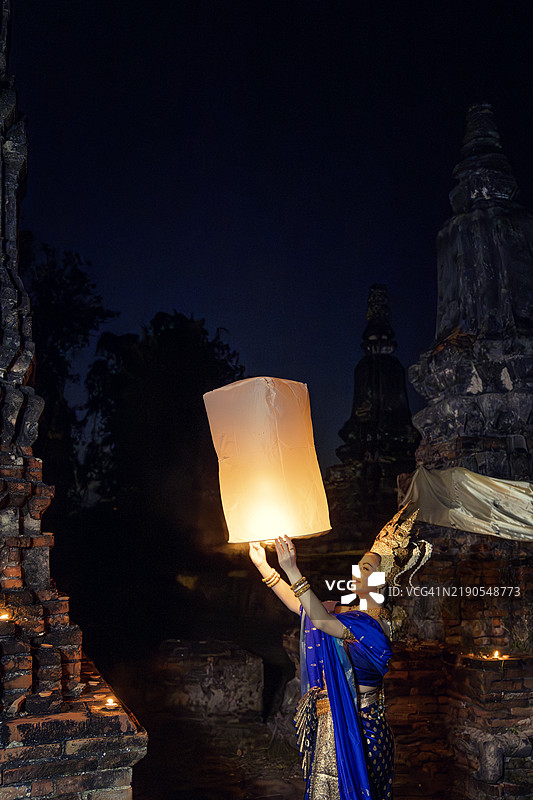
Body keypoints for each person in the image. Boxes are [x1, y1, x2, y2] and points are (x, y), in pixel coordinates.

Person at [249, 535, 394, 800]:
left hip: (363, 732)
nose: (357, 571)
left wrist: (292, 568)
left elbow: (323, 622)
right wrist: (264, 567)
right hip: (337, 723)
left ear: (382, 581)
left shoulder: (375, 626)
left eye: (367, 568)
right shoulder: (347, 613)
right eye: (358, 565)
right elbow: (303, 607)